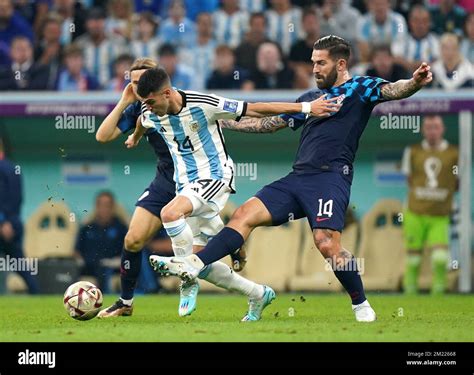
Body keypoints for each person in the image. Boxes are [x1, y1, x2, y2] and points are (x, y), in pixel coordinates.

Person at [149, 35, 433, 322]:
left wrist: (415, 83)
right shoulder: (309, 100)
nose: (315, 69)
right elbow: (269, 124)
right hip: (298, 178)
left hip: (330, 178)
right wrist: (220, 120)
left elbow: (393, 90)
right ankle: (193, 264)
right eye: (313, 63)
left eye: (321, 63)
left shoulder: (360, 87)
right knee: (244, 214)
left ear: (341, 63)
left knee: (325, 243)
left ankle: (361, 305)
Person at [96, 58, 319, 318]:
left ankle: (186, 281)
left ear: (166, 92)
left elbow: (256, 108)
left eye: (152, 101)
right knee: (201, 262)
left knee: (170, 215)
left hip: (215, 178)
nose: (149, 107)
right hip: (183, 184)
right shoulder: (149, 111)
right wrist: (134, 137)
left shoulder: (204, 103)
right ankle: (257, 294)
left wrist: (306, 107)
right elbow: (141, 122)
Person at [401, 115, 459, 294]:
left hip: (440, 214)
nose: (432, 131)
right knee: (413, 259)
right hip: (414, 212)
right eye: (428, 127)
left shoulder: (454, 153)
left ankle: (438, 296)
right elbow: (410, 179)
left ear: (442, 129)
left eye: (436, 127)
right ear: (423, 130)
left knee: (440, 258)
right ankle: (409, 296)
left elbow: (457, 182)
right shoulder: (413, 151)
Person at [0, 136, 38, 294]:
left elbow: (14, 198)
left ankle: (37, 295)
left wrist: (5, 221)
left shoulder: (8, 168)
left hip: (8, 225)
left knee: (20, 265)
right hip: (6, 223)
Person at [75, 191, 127, 293]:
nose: (104, 209)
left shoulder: (121, 228)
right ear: (96, 207)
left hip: (112, 268)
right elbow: (76, 251)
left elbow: (128, 251)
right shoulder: (87, 228)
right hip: (90, 268)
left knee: (107, 271)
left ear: (113, 207)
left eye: (107, 205)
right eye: (101, 205)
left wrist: (117, 261)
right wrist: (80, 261)